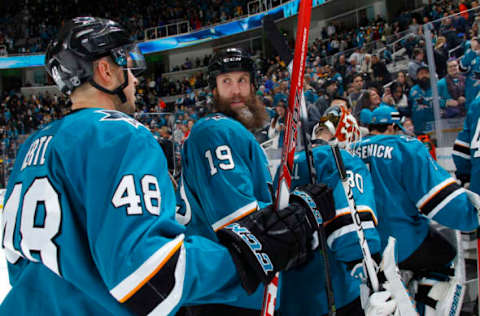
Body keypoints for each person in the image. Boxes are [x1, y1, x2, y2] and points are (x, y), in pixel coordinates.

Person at [0, 19, 321, 316]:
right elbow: (148, 277)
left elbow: (18, 266)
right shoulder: (116, 134)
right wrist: (248, 256)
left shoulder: (32, 146)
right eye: (126, 64)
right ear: (105, 71)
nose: (136, 78)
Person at [176, 47, 336, 315]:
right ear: (213, 90)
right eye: (226, 81)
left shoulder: (234, 133)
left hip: (234, 291)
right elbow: (242, 230)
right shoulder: (217, 129)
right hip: (227, 293)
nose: (236, 90)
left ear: (253, 86)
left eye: (242, 80)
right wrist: (299, 216)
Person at [354, 105, 478, 315]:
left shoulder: (348, 150)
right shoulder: (404, 147)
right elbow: (440, 201)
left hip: (362, 248)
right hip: (401, 242)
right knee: (445, 254)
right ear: (393, 126)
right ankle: (426, 308)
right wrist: (470, 215)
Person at [281, 100, 382, 316]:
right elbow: (352, 236)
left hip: (289, 294)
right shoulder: (343, 160)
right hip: (332, 293)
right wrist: (375, 271)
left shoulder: (287, 164)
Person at [409, 66, 433, 135]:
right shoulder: (413, 90)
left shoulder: (436, 87)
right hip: (419, 129)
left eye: (426, 73)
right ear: (417, 76)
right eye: (421, 73)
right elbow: (409, 107)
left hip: (435, 127)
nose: (424, 75)